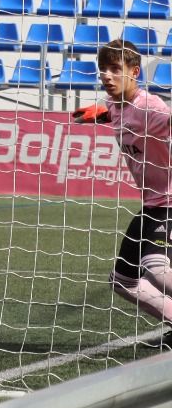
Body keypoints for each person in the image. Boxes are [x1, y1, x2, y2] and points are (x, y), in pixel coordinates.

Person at [76, 40, 172, 338]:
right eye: (103, 69)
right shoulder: (118, 107)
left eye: (115, 69)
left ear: (134, 72)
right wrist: (103, 113)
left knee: (154, 268)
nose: (107, 75)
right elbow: (120, 115)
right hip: (154, 204)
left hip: (170, 201)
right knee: (124, 280)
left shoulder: (148, 108)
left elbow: (161, 120)